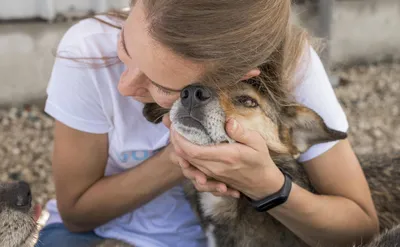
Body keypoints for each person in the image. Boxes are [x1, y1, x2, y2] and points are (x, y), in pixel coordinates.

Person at [35, 0, 379, 246]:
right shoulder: (88, 49)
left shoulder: (297, 68)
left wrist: (268, 185)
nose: (125, 87)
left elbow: (360, 230)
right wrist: (179, 159)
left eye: (165, 86)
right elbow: (77, 214)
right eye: (125, 47)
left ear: (237, 77)